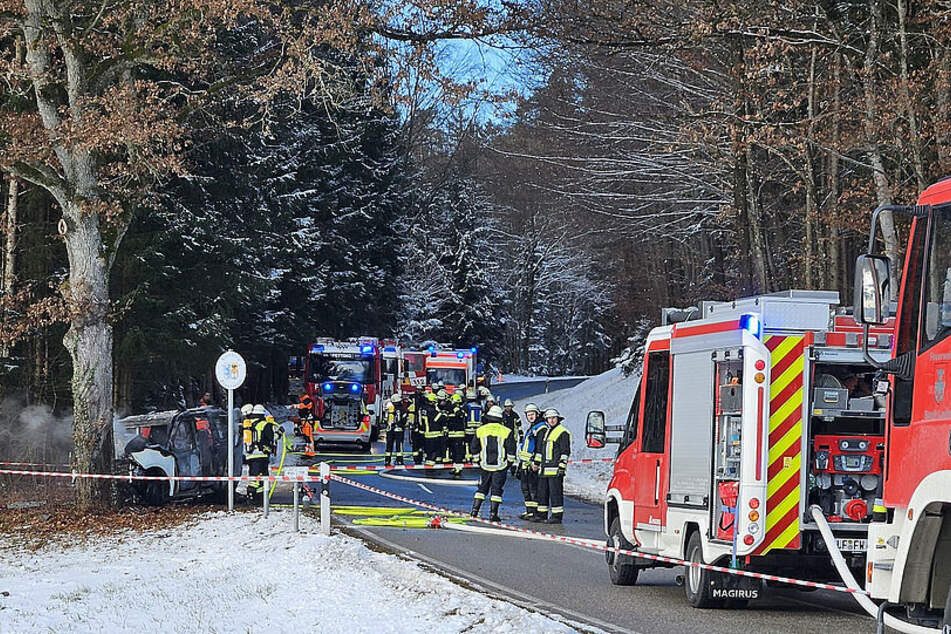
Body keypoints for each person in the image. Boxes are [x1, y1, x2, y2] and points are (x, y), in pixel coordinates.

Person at [470, 405, 517, 522]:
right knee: (496, 490)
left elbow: (474, 447)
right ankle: (493, 514)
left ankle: (474, 511)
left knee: (482, 488)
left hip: (485, 465)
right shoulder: (506, 431)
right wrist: (509, 463)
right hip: (500, 466)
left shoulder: (480, 430)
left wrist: (477, 460)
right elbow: (511, 448)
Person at [532, 408, 571, 524]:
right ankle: (542, 514)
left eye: (554, 418)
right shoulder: (547, 432)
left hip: (555, 470)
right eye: (549, 418)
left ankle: (557, 516)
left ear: (558, 419)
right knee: (542, 493)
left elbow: (565, 451)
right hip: (544, 470)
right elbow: (541, 451)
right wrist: (537, 463)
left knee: (555, 494)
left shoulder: (562, 432)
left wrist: (562, 466)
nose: (552, 420)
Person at [243, 404, 283, 504]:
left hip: (250, 455)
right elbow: (272, 437)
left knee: (255, 477)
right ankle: (255, 499)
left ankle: (258, 499)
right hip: (261, 455)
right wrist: (280, 433)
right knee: (260, 478)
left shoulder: (248, 424)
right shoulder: (265, 424)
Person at [517, 403, 547, 520]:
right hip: (526, 464)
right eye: (528, 415)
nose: (530, 417)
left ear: (537, 414)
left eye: (532, 414)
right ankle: (529, 511)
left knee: (534, 489)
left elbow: (540, 447)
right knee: (526, 489)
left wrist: (536, 462)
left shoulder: (541, 428)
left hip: (533, 464)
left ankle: (535, 512)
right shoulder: (532, 427)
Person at [445, 391, 468, 475]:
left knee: (458, 452)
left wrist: (456, 408)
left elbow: (460, 415)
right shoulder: (452, 409)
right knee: (453, 452)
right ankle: (455, 467)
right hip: (452, 433)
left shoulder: (459, 410)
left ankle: (458, 468)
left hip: (458, 433)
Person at [384, 393, 408, 466]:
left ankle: (387, 460)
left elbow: (385, 419)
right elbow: (404, 420)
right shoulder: (402, 410)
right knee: (399, 446)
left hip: (390, 430)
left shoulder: (389, 409)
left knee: (389, 445)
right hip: (399, 430)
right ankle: (399, 460)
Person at [418, 391, 441, 465]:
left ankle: (428, 462)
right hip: (433, 433)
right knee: (433, 450)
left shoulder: (423, 409)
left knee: (428, 450)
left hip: (426, 433)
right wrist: (441, 413)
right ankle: (431, 465)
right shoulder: (432, 410)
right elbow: (438, 419)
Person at [464, 389, 482, 460]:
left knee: (468, 443)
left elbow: (464, 417)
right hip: (478, 429)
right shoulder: (479, 406)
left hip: (468, 428)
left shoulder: (467, 406)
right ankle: (476, 457)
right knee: (476, 444)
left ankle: (468, 456)